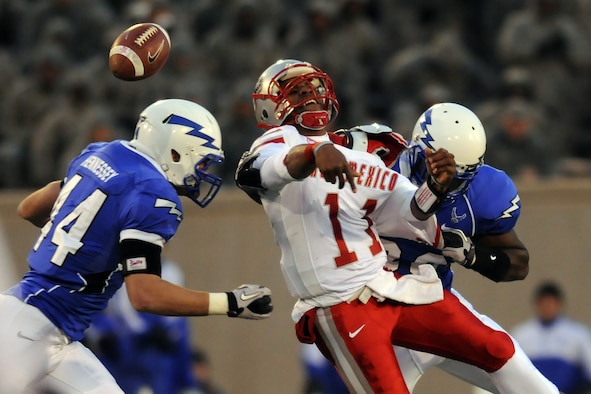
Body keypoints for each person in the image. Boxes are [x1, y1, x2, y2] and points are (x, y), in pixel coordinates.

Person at [236, 59, 557, 393]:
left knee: (514, 365)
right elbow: (260, 174)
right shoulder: (360, 150)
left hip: (419, 294)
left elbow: (415, 213)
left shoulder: (383, 168)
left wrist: (470, 251)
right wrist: (312, 154)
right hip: (354, 302)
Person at [0, 98, 273, 393]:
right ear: (174, 150)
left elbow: (29, 208)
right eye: (201, 159)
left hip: (50, 332)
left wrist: (89, 238)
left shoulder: (103, 153)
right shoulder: (154, 194)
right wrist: (230, 303)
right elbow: (144, 295)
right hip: (25, 329)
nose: (203, 171)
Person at [336, 102, 557, 393]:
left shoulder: (482, 192)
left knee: (527, 378)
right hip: (378, 313)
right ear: (421, 150)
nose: (453, 182)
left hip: (436, 305)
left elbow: (518, 262)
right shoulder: (376, 161)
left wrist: (473, 255)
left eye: (463, 174)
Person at [83, 257, 200, 394]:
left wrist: (188, 383)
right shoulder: (113, 273)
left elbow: (181, 339)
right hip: (121, 354)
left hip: (158, 357)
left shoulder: (171, 274)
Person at [511, 281, 591, 394]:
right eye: (544, 303)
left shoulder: (578, 334)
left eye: (551, 303)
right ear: (537, 304)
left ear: (559, 304)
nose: (547, 307)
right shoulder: (521, 334)